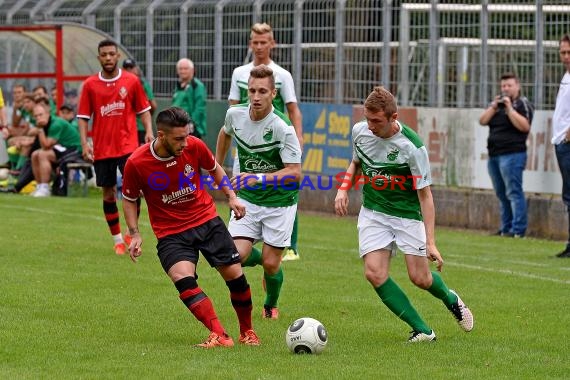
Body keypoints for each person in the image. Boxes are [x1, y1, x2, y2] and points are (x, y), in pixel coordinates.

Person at [334, 86, 474, 342]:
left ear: (393, 118)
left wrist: (431, 241)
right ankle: (423, 330)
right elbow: (356, 162)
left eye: (376, 121)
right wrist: (343, 189)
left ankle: (450, 299)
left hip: (407, 216)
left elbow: (425, 195)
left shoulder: (412, 147)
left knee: (420, 278)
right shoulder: (359, 132)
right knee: (374, 273)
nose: (370, 126)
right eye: (367, 119)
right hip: (374, 213)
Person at [122, 106, 260, 348]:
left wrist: (231, 196)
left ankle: (247, 331)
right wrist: (134, 234)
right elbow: (130, 198)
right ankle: (219, 334)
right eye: (179, 138)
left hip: (206, 220)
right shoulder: (136, 162)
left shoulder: (194, 145)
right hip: (171, 233)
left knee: (235, 277)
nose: (185, 143)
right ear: (161, 135)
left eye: (186, 136)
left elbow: (214, 168)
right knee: (181, 277)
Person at [216, 65, 302, 320]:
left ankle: (270, 304)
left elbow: (295, 173)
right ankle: (259, 259)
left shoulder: (282, 127)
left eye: (262, 91)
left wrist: (258, 178)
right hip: (248, 201)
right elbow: (224, 133)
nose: (255, 96)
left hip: (279, 203)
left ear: (273, 93)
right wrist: (216, 166)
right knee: (231, 258)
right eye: (252, 90)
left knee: (272, 263)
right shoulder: (235, 114)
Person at [228, 22, 303, 261]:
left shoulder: (282, 75)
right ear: (250, 44)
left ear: (272, 43)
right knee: (240, 189)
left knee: (282, 185)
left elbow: (293, 109)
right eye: (255, 42)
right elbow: (232, 111)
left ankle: (288, 245)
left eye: (264, 42)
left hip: (275, 145)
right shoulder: (240, 73)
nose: (259, 47)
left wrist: (297, 139)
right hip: (247, 146)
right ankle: (247, 243)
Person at [77, 39, 154, 256]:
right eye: (104, 55)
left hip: (128, 146)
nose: (108, 58)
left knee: (133, 191)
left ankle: (132, 233)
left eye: (112, 54)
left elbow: (144, 110)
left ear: (117, 56)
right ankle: (118, 240)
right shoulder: (90, 85)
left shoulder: (131, 81)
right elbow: (83, 118)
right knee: (108, 193)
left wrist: (148, 130)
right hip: (102, 148)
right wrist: (85, 143)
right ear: (99, 57)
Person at [478, 72, 534, 238]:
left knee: (513, 192)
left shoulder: (522, 104)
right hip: (494, 155)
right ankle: (506, 228)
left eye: (509, 85)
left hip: (513, 155)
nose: (506, 89)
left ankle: (518, 230)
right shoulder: (496, 105)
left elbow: (525, 126)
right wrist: (494, 106)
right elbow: (482, 120)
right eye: (503, 86)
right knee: (501, 193)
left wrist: (509, 109)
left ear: (517, 86)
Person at [29, 102, 81, 197]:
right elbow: (30, 132)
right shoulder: (45, 123)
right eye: (36, 116)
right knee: (34, 154)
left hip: (74, 150)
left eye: (40, 115)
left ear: (48, 114)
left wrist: (40, 130)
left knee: (42, 154)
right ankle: (40, 186)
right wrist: (37, 129)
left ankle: (45, 188)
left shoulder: (56, 124)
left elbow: (46, 146)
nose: (38, 118)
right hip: (62, 147)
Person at [552, 35, 570, 258]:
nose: (566, 57)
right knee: (567, 195)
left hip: (566, 142)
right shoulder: (566, 76)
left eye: (569, 52)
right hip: (560, 142)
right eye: (563, 53)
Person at [122, 58, 158, 145]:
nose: (129, 71)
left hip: (140, 127)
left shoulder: (142, 84)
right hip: (126, 128)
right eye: (126, 69)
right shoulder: (120, 84)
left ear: (136, 69)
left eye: (131, 68)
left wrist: (145, 116)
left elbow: (153, 105)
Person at [172, 58, 206, 139]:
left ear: (192, 70)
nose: (183, 71)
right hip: (177, 126)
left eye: (185, 68)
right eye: (180, 69)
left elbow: (199, 107)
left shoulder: (197, 86)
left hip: (191, 128)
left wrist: (192, 123)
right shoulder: (178, 86)